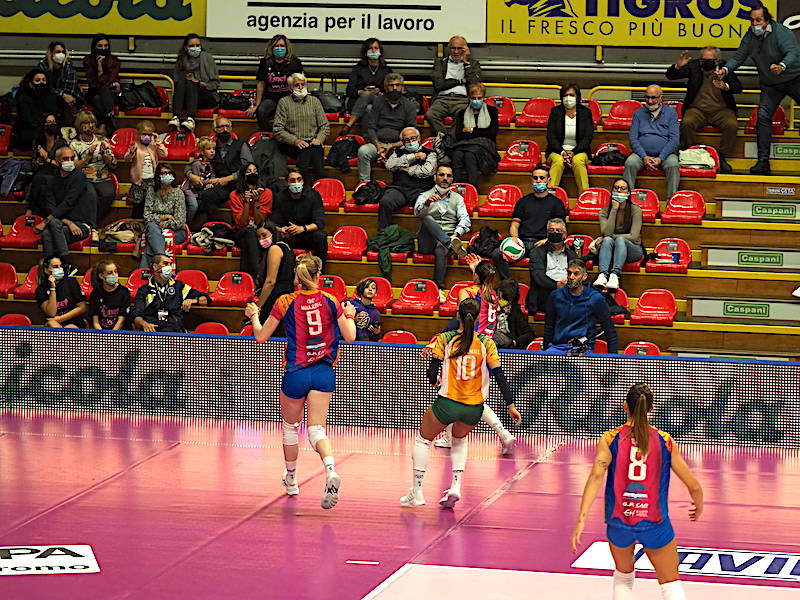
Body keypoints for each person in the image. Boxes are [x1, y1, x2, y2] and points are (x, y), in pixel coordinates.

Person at [570, 383, 704, 600]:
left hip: (619, 522)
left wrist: (581, 520)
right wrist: (699, 505)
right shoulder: (665, 441)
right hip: (655, 523)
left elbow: (595, 477)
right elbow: (694, 486)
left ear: (625, 406)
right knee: (670, 584)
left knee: (623, 578)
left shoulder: (610, 439)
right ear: (651, 409)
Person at [244, 254, 357, 509]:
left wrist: (254, 315)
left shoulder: (285, 301)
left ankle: (292, 480)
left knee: (290, 428)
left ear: (297, 276)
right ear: (319, 275)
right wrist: (349, 315)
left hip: (296, 372)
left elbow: (261, 337)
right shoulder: (331, 300)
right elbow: (350, 337)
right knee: (317, 430)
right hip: (323, 372)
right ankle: (330, 469)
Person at [400, 298, 521, 509]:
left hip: (448, 402)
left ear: (458, 316)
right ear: (478, 317)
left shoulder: (446, 338)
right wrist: (510, 404)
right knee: (459, 441)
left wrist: (434, 380)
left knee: (423, 440)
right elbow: (500, 376)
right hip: (473, 408)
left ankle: (417, 492)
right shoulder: (486, 343)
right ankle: (455, 485)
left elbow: (432, 371)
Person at [434, 257, 517, 455]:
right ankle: (454, 435)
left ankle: (501, 433)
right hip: (486, 347)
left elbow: (461, 319)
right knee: (469, 396)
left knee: (453, 392)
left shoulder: (466, 292)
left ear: (476, 276)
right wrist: (477, 271)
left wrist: (439, 338)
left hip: (468, 345)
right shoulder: (493, 295)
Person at [717, 4, 800, 174]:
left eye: (758, 20)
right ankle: (763, 162)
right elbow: (738, 57)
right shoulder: (750, 36)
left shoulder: (782, 32)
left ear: (767, 21)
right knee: (762, 116)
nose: (754, 24)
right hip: (770, 84)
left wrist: (782, 66)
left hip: (795, 78)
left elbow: (792, 53)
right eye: (752, 21)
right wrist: (725, 70)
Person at [666, 46, 741, 174]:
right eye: (704, 59)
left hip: (721, 110)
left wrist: (725, 86)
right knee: (687, 123)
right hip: (697, 109)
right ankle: (691, 154)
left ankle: (722, 157)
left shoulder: (725, 68)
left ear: (717, 60)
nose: (706, 62)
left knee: (732, 124)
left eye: (710, 60)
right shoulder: (694, 66)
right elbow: (670, 76)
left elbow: (738, 87)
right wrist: (678, 66)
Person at [490, 164, 568, 281]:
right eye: (535, 178)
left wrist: (547, 240)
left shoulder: (557, 203)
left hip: (543, 244)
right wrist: (516, 241)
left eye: (542, 178)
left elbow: (561, 230)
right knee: (497, 254)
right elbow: (514, 226)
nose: (538, 181)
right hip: (523, 242)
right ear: (531, 180)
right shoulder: (523, 202)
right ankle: (510, 283)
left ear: (548, 180)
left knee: (538, 257)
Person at [414, 165, 471, 299]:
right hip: (427, 241)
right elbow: (417, 213)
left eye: (448, 176)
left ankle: (438, 288)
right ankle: (450, 244)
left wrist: (456, 234)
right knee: (426, 217)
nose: (445, 178)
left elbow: (465, 220)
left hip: (448, 236)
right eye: (441, 175)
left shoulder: (458, 198)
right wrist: (427, 203)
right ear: (435, 177)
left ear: (452, 179)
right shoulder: (425, 195)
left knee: (441, 248)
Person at [34, 146, 96, 264]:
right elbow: (51, 207)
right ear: (57, 161)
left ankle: (56, 265)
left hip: (80, 225)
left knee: (49, 230)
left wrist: (44, 222)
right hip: (63, 224)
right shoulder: (53, 180)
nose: (70, 161)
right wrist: (68, 222)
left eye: (72, 158)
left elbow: (68, 203)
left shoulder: (78, 176)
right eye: (65, 158)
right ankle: (59, 266)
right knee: (49, 231)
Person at [542, 259, 618, 354]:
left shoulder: (595, 298)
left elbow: (609, 330)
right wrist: (545, 352)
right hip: (558, 347)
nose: (571, 277)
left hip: (583, 349)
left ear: (584, 276)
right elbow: (549, 326)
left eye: (576, 274)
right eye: (569, 273)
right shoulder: (555, 296)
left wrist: (613, 358)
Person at [192, 117, 254, 227]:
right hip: (220, 184)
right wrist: (190, 174)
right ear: (214, 130)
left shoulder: (241, 144)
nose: (225, 129)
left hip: (239, 183)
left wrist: (229, 178)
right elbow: (197, 162)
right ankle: (220, 226)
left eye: (227, 126)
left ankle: (229, 228)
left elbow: (249, 168)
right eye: (221, 127)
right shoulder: (212, 147)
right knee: (206, 195)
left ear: (231, 128)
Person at [357, 73, 417, 182]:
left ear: (402, 87)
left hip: (399, 145)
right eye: (391, 85)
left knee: (409, 153)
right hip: (378, 144)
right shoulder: (378, 101)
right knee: (363, 151)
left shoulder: (409, 105)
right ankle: (364, 185)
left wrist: (392, 146)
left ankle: (400, 184)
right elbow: (371, 127)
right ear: (385, 87)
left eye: (397, 85)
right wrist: (379, 147)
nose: (394, 88)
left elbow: (411, 134)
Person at [273, 72, 329, 186]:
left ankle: (302, 184)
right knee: (309, 152)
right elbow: (278, 129)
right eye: (296, 85)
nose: (300, 87)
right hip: (291, 144)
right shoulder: (284, 102)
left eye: (302, 84)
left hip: (312, 143)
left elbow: (324, 126)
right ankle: (317, 184)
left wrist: (319, 139)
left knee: (313, 149)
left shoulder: (315, 101)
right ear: (290, 87)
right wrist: (295, 141)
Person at [623, 85, 680, 198]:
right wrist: (644, 157)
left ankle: (671, 201)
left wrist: (661, 158)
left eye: (653, 98)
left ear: (661, 98)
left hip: (666, 155)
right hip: (641, 155)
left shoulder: (671, 113)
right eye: (647, 97)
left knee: (673, 165)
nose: (649, 101)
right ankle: (627, 200)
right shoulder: (638, 113)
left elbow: (674, 140)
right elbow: (633, 138)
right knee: (630, 163)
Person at [131, 254, 210, 333]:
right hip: (153, 331)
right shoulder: (144, 290)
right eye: (165, 263)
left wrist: (194, 300)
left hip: (175, 332)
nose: (169, 267)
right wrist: (144, 324)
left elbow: (206, 299)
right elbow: (136, 315)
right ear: (155, 267)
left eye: (170, 264)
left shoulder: (179, 286)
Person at [379, 126, 437, 231]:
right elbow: (390, 165)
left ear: (419, 138)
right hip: (399, 189)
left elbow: (427, 172)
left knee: (429, 205)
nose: (411, 142)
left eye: (413, 138)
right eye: (407, 140)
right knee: (385, 201)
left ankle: (426, 235)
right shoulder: (397, 152)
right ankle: (384, 234)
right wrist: (414, 157)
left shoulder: (430, 153)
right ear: (402, 142)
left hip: (421, 190)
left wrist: (406, 169)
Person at [425, 36, 482, 135]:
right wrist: (460, 81)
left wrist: (466, 63)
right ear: (448, 48)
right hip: (442, 99)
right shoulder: (440, 63)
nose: (456, 51)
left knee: (463, 116)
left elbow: (474, 85)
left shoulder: (473, 64)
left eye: (459, 48)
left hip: (462, 100)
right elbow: (438, 85)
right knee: (430, 115)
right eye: (453, 48)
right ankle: (444, 138)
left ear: (466, 49)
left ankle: (451, 140)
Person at [593, 179, 644, 290]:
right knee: (607, 240)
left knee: (617, 240)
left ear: (628, 193)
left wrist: (609, 237)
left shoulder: (636, 210)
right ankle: (602, 275)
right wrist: (614, 210)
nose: (619, 191)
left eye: (623, 188)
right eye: (616, 188)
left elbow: (634, 236)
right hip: (611, 250)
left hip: (633, 250)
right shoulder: (604, 211)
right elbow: (607, 233)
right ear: (612, 192)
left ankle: (615, 275)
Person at [270, 169, 327, 266]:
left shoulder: (313, 195)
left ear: (303, 181)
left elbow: (320, 222)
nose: (296, 183)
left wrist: (302, 229)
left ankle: (318, 269)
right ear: (287, 183)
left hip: (307, 233)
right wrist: (281, 229)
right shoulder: (280, 197)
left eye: (299, 179)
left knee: (321, 237)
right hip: (288, 235)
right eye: (292, 180)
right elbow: (274, 221)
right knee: (272, 237)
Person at [247, 34, 304, 130]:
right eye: (276, 46)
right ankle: (270, 134)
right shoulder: (265, 62)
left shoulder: (294, 62)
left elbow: (300, 83)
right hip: (271, 98)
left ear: (287, 48)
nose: (279, 48)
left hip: (289, 98)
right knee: (261, 111)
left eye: (282, 46)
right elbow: (261, 84)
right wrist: (257, 105)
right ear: (271, 48)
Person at [449, 83, 500, 188]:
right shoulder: (462, 113)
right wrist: (480, 132)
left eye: (479, 98)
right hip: (464, 144)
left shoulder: (492, 111)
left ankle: (472, 188)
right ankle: (454, 187)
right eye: (473, 98)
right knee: (457, 154)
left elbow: (492, 133)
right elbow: (459, 135)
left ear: (484, 97)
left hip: (485, 146)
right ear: (469, 98)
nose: (476, 100)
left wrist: (471, 130)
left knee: (469, 155)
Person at [68, 110, 117, 220]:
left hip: (103, 178)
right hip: (85, 179)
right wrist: (88, 156)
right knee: (91, 196)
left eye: (93, 122)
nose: (91, 126)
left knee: (109, 193)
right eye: (86, 123)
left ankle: (93, 221)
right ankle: (92, 224)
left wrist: (104, 155)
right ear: (80, 125)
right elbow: (74, 167)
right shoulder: (74, 144)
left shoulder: (102, 140)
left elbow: (113, 164)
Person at [546, 83, 594, 192]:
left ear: (577, 97)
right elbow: (551, 136)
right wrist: (563, 152)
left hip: (580, 151)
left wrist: (573, 152)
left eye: (572, 95)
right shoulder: (555, 112)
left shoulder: (586, 113)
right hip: (557, 151)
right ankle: (549, 195)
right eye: (565, 95)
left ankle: (585, 195)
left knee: (578, 161)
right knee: (558, 161)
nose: (568, 98)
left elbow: (588, 137)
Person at [229, 162, 273, 279]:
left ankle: (247, 277)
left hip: (259, 230)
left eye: (255, 171)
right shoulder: (234, 195)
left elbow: (259, 221)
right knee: (248, 232)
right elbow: (241, 223)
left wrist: (256, 202)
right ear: (243, 176)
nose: (252, 174)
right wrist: (247, 203)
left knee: (247, 241)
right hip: (241, 231)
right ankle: (258, 275)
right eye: (248, 172)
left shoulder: (267, 193)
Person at [169, 33, 220, 133]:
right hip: (185, 97)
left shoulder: (207, 58)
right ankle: (176, 117)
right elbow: (176, 81)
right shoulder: (181, 60)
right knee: (183, 81)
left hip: (206, 96)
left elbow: (215, 84)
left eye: (197, 45)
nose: (195, 48)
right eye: (192, 46)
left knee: (191, 83)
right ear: (186, 47)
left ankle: (191, 118)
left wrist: (198, 82)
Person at [140, 164, 187, 268]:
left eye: (169, 173)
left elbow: (180, 221)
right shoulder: (152, 191)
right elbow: (147, 216)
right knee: (153, 229)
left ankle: (145, 271)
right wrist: (164, 217)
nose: (167, 175)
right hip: (154, 228)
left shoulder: (178, 193)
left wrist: (162, 224)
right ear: (158, 176)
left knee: (153, 240)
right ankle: (162, 259)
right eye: (163, 173)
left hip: (176, 231)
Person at [528, 217, 579, 314]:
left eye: (558, 230)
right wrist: (557, 285)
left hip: (567, 291)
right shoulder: (536, 252)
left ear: (565, 234)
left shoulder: (572, 255)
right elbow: (538, 276)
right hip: (545, 293)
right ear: (547, 233)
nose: (555, 233)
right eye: (551, 230)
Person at [342, 38, 393, 133]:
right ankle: (368, 138)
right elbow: (349, 90)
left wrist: (379, 92)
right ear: (365, 52)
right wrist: (362, 92)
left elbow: (391, 89)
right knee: (368, 107)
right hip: (358, 102)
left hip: (378, 101)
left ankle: (349, 124)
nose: (373, 51)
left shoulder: (386, 70)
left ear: (380, 51)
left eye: (376, 48)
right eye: (370, 48)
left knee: (369, 98)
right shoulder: (358, 68)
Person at [124, 120, 167, 220]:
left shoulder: (154, 146)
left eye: (149, 134)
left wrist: (158, 142)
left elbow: (164, 154)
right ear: (138, 134)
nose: (147, 137)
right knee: (138, 206)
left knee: (149, 205)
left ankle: (147, 223)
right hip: (139, 181)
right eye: (144, 134)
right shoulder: (135, 145)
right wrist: (131, 153)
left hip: (151, 180)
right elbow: (127, 159)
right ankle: (136, 223)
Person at [254, 222, 296, 323]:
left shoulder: (275, 249)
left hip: (276, 297)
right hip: (288, 295)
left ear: (273, 233)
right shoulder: (287, 247)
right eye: (258, 237)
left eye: (264, 235)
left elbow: (270, 282)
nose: (261, 239)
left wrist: (258, 307)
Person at [27, 113, 67, 216]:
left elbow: (63, 165)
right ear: (43, 125)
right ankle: (44, 216)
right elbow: (34, 165)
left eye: (54, 122)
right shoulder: (38, 142)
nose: (52, 124)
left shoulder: (61, 142)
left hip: (57, 174)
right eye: (49, 122)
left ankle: (30, 211)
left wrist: (47, 159)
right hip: (42, 172)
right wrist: (40, 160)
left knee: (39, 179)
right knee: (41, 186)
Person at [11, 69, 59, 151]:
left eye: (44, 80)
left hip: (47, 129)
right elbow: (26, 118)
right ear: (30, 84)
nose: (41, 82)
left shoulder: (51, 96)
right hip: (28, 130)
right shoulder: (23, 96)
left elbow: (54, 113)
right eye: (37, 80)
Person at [82, 34, 121, 134]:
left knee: (98, 98)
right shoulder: (88, 60)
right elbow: (93, 84)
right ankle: (112, 124)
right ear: (94, 47)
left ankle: (103, 125)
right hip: (93, 92)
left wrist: (101, 75)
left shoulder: (114, 61)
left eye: (106, 46)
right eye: (100, 46)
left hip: (110, 94)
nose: (103, 48)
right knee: (99, 94)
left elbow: (105, 81)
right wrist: (99, 66)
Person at [35, 255, 87, 328]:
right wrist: (52, 289)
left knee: (70, 327)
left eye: (61, 266)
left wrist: (60, 319)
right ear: (46, 270)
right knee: (51, 324)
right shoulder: (41, 289)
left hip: (73, 322)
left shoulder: (71, 282)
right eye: (55, 267)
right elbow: (51, 313)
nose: (59, 269)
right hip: (53, 324)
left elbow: (83, 307)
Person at [37, 41, 80, 125]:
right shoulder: (43, 65)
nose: (61, 54)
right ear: (51, 53)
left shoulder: (68, 65)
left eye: (63, 52)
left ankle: (66, 129)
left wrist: (63, 95)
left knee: (69, 104)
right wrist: (62, 94)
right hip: (49, 97)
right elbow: (44, 87)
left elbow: (70, 88)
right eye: (58, 52)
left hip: (67, 98)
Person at [181, 135, 216, 226]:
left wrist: (211, 183)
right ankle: (185, 225)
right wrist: (208, 182)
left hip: (200, 190)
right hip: (191, 189)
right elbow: (197, 182)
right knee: (194, 206)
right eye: (209, 149)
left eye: (213, 149)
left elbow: (212, 175)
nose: (212, 151)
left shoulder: (211, 163)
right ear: (202, 151)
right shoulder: (197, 163)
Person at [89, 259, 130, 330]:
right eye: (110, 273)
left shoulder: (124, 292)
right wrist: (102, 334)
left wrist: (111, 334)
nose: (114, 275)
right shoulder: (95, 293)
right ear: (101, 276)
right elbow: (95, 322)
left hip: (118, 331)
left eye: (115, 272)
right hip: (100, 332)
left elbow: (121, 321)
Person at [493, 279, 534, 350]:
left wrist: (515, 342)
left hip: (507, 346)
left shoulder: (515, 311)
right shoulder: (489, 306)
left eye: (506, 300)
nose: (501, 301)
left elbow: (529, 334)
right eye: (500, 297)